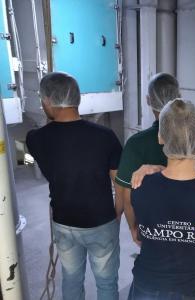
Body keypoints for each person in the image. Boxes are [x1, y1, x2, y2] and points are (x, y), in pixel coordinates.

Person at [26, 72, 122, 300]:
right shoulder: (106, 137)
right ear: (76, 98)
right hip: (101, 221)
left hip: (64, 222)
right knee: (107, 283)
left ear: (48, 101)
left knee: (71, 279)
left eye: (42, 100)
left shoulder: (35, 139)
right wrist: (116, 216)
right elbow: (119, 185)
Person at [127, 99, 195, 299]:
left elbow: (139, 233)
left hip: (150, 285)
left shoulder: (140, 185)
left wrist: (156, 169)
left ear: (160, 137)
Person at [115, 73, 195, 243]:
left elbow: (126, 196)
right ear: (179, 98)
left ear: (148, 100)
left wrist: (133, 227)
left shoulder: (136, 143)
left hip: (152, 225)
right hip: (192, 220)